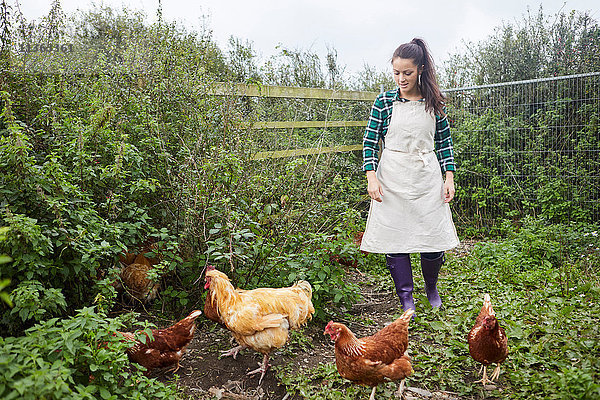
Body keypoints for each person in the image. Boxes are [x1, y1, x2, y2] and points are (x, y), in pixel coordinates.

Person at [359, 38, 459, 312]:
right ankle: (406, 297)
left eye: (407, 73)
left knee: (431, 236)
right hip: (392, 177)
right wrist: (371, 176)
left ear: (421, 70)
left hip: (426, 177)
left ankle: (431, 287)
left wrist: (449, 177)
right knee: (397, 238)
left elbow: (445, 143)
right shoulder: (384, 102)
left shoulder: (435, 104)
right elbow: (369, 142)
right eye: (396, 73)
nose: (401, 78)